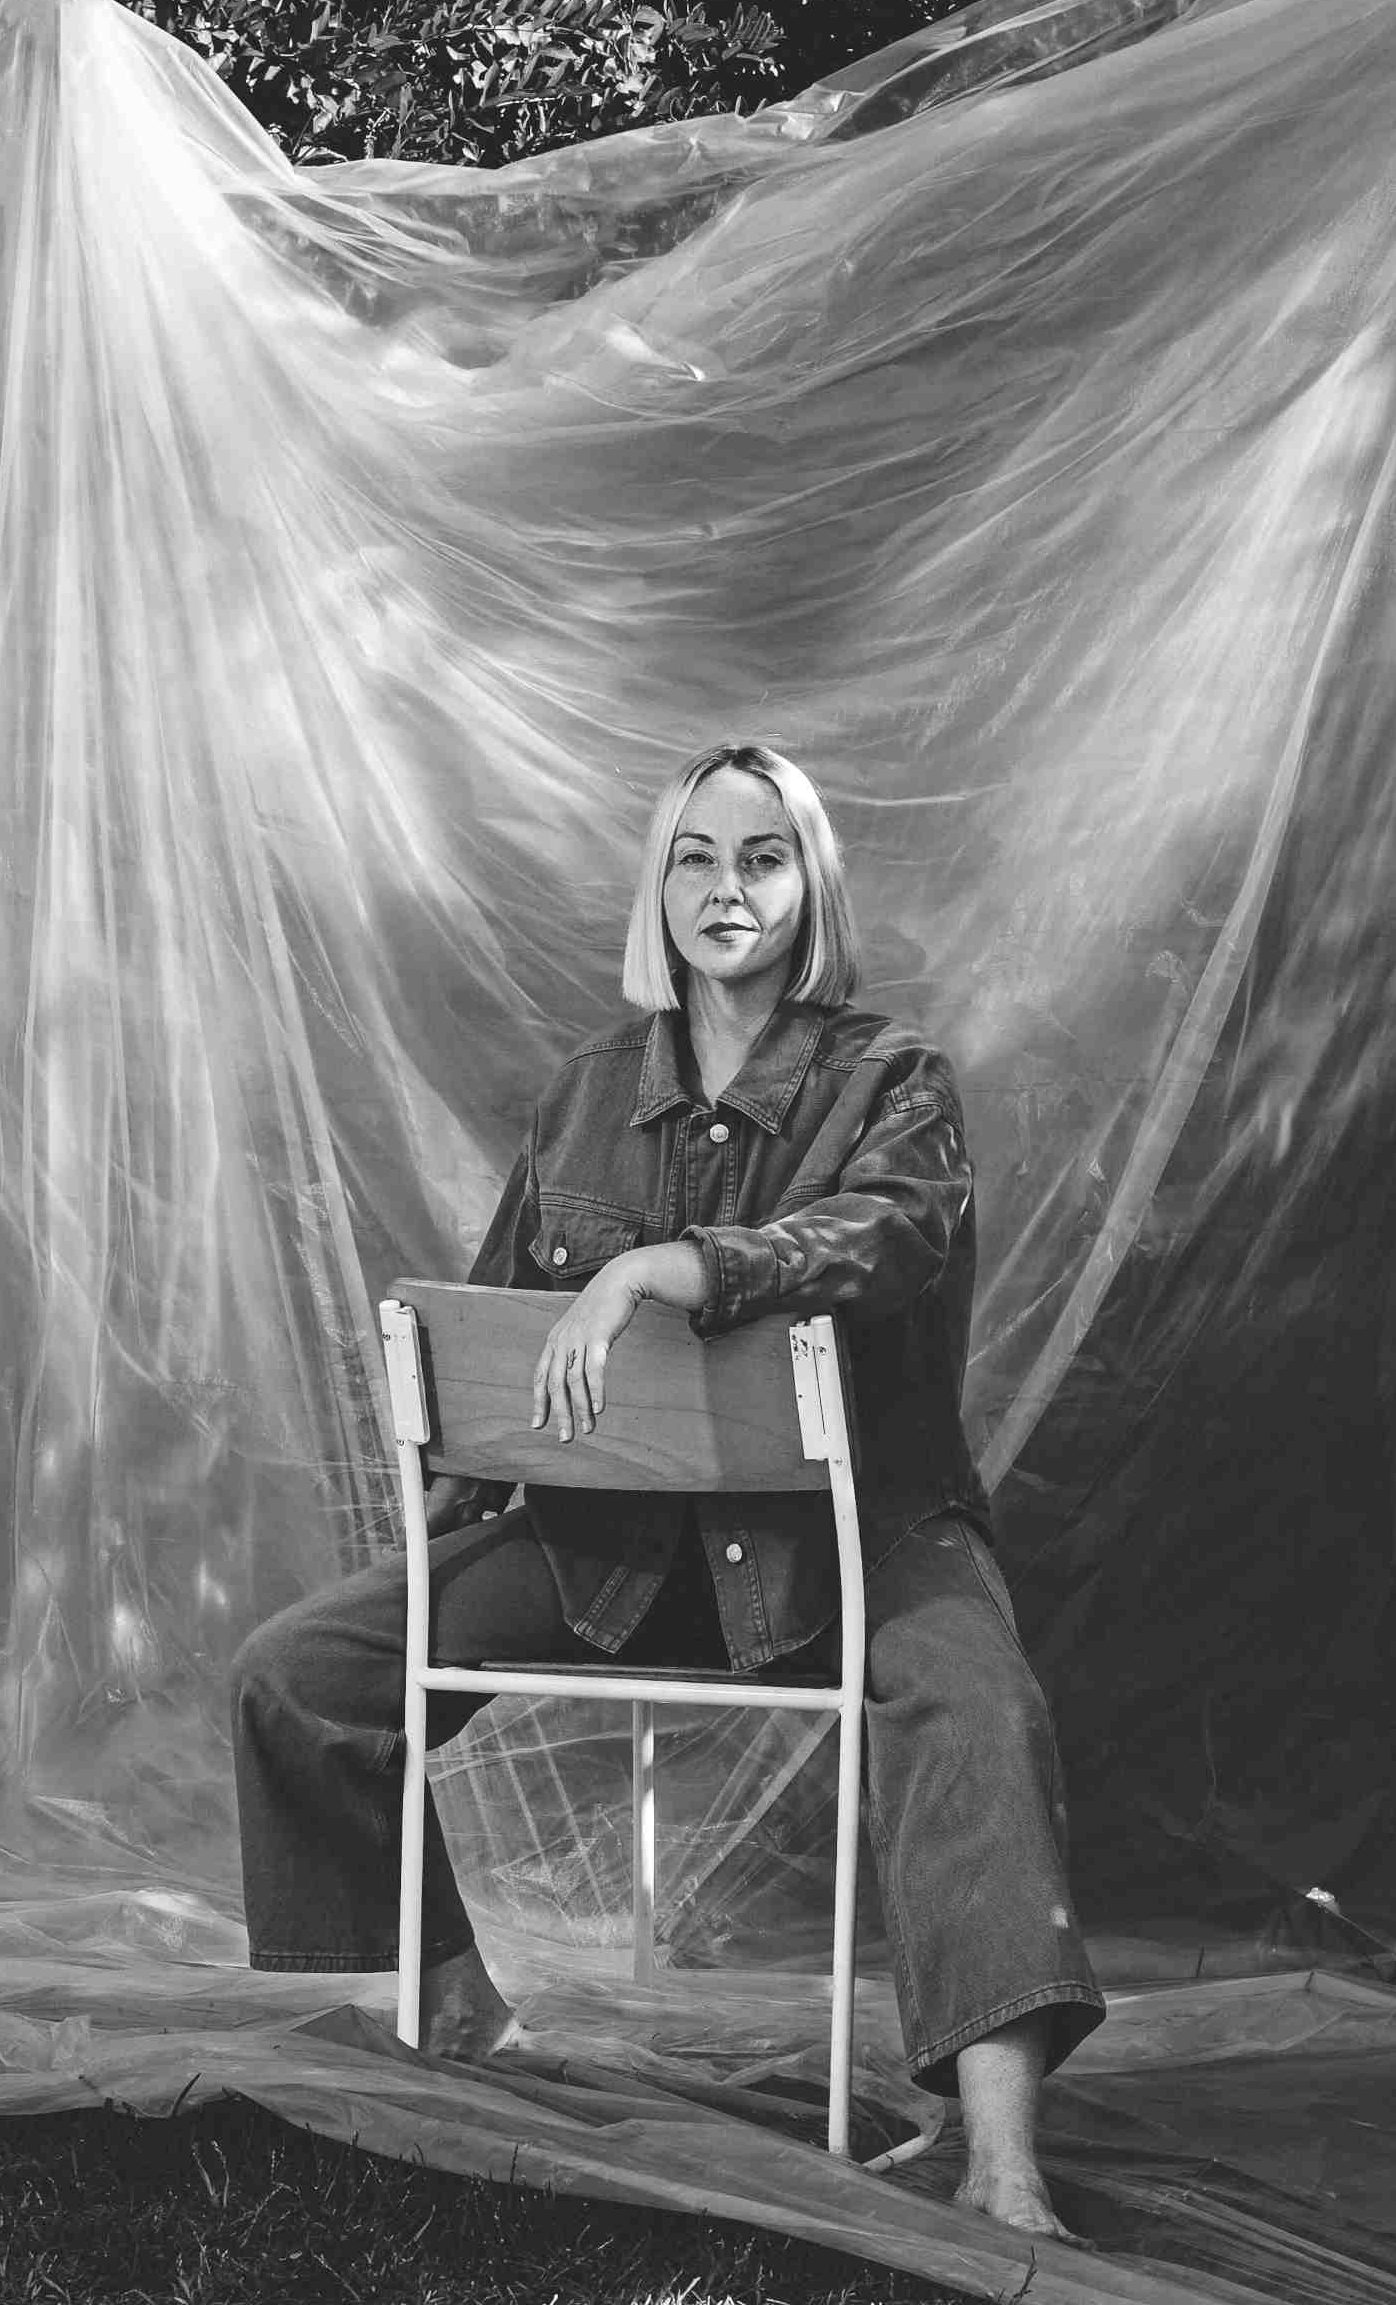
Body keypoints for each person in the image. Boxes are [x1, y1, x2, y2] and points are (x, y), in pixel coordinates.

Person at [231, 741, 1105, 2242]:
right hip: (616, 1554)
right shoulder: (583, 1096)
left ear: (808, 886)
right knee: (298, 1672)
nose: (726, 889)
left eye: (760, 858)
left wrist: (672, 1266)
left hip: (854, 1542)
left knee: (979, 1706)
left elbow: (886, 1238)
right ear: (661, 888)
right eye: (696, 859)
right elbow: (506, 1338)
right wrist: (456, 1528)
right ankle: (463, 2008)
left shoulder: (891, 1080)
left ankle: (1003, 2160)